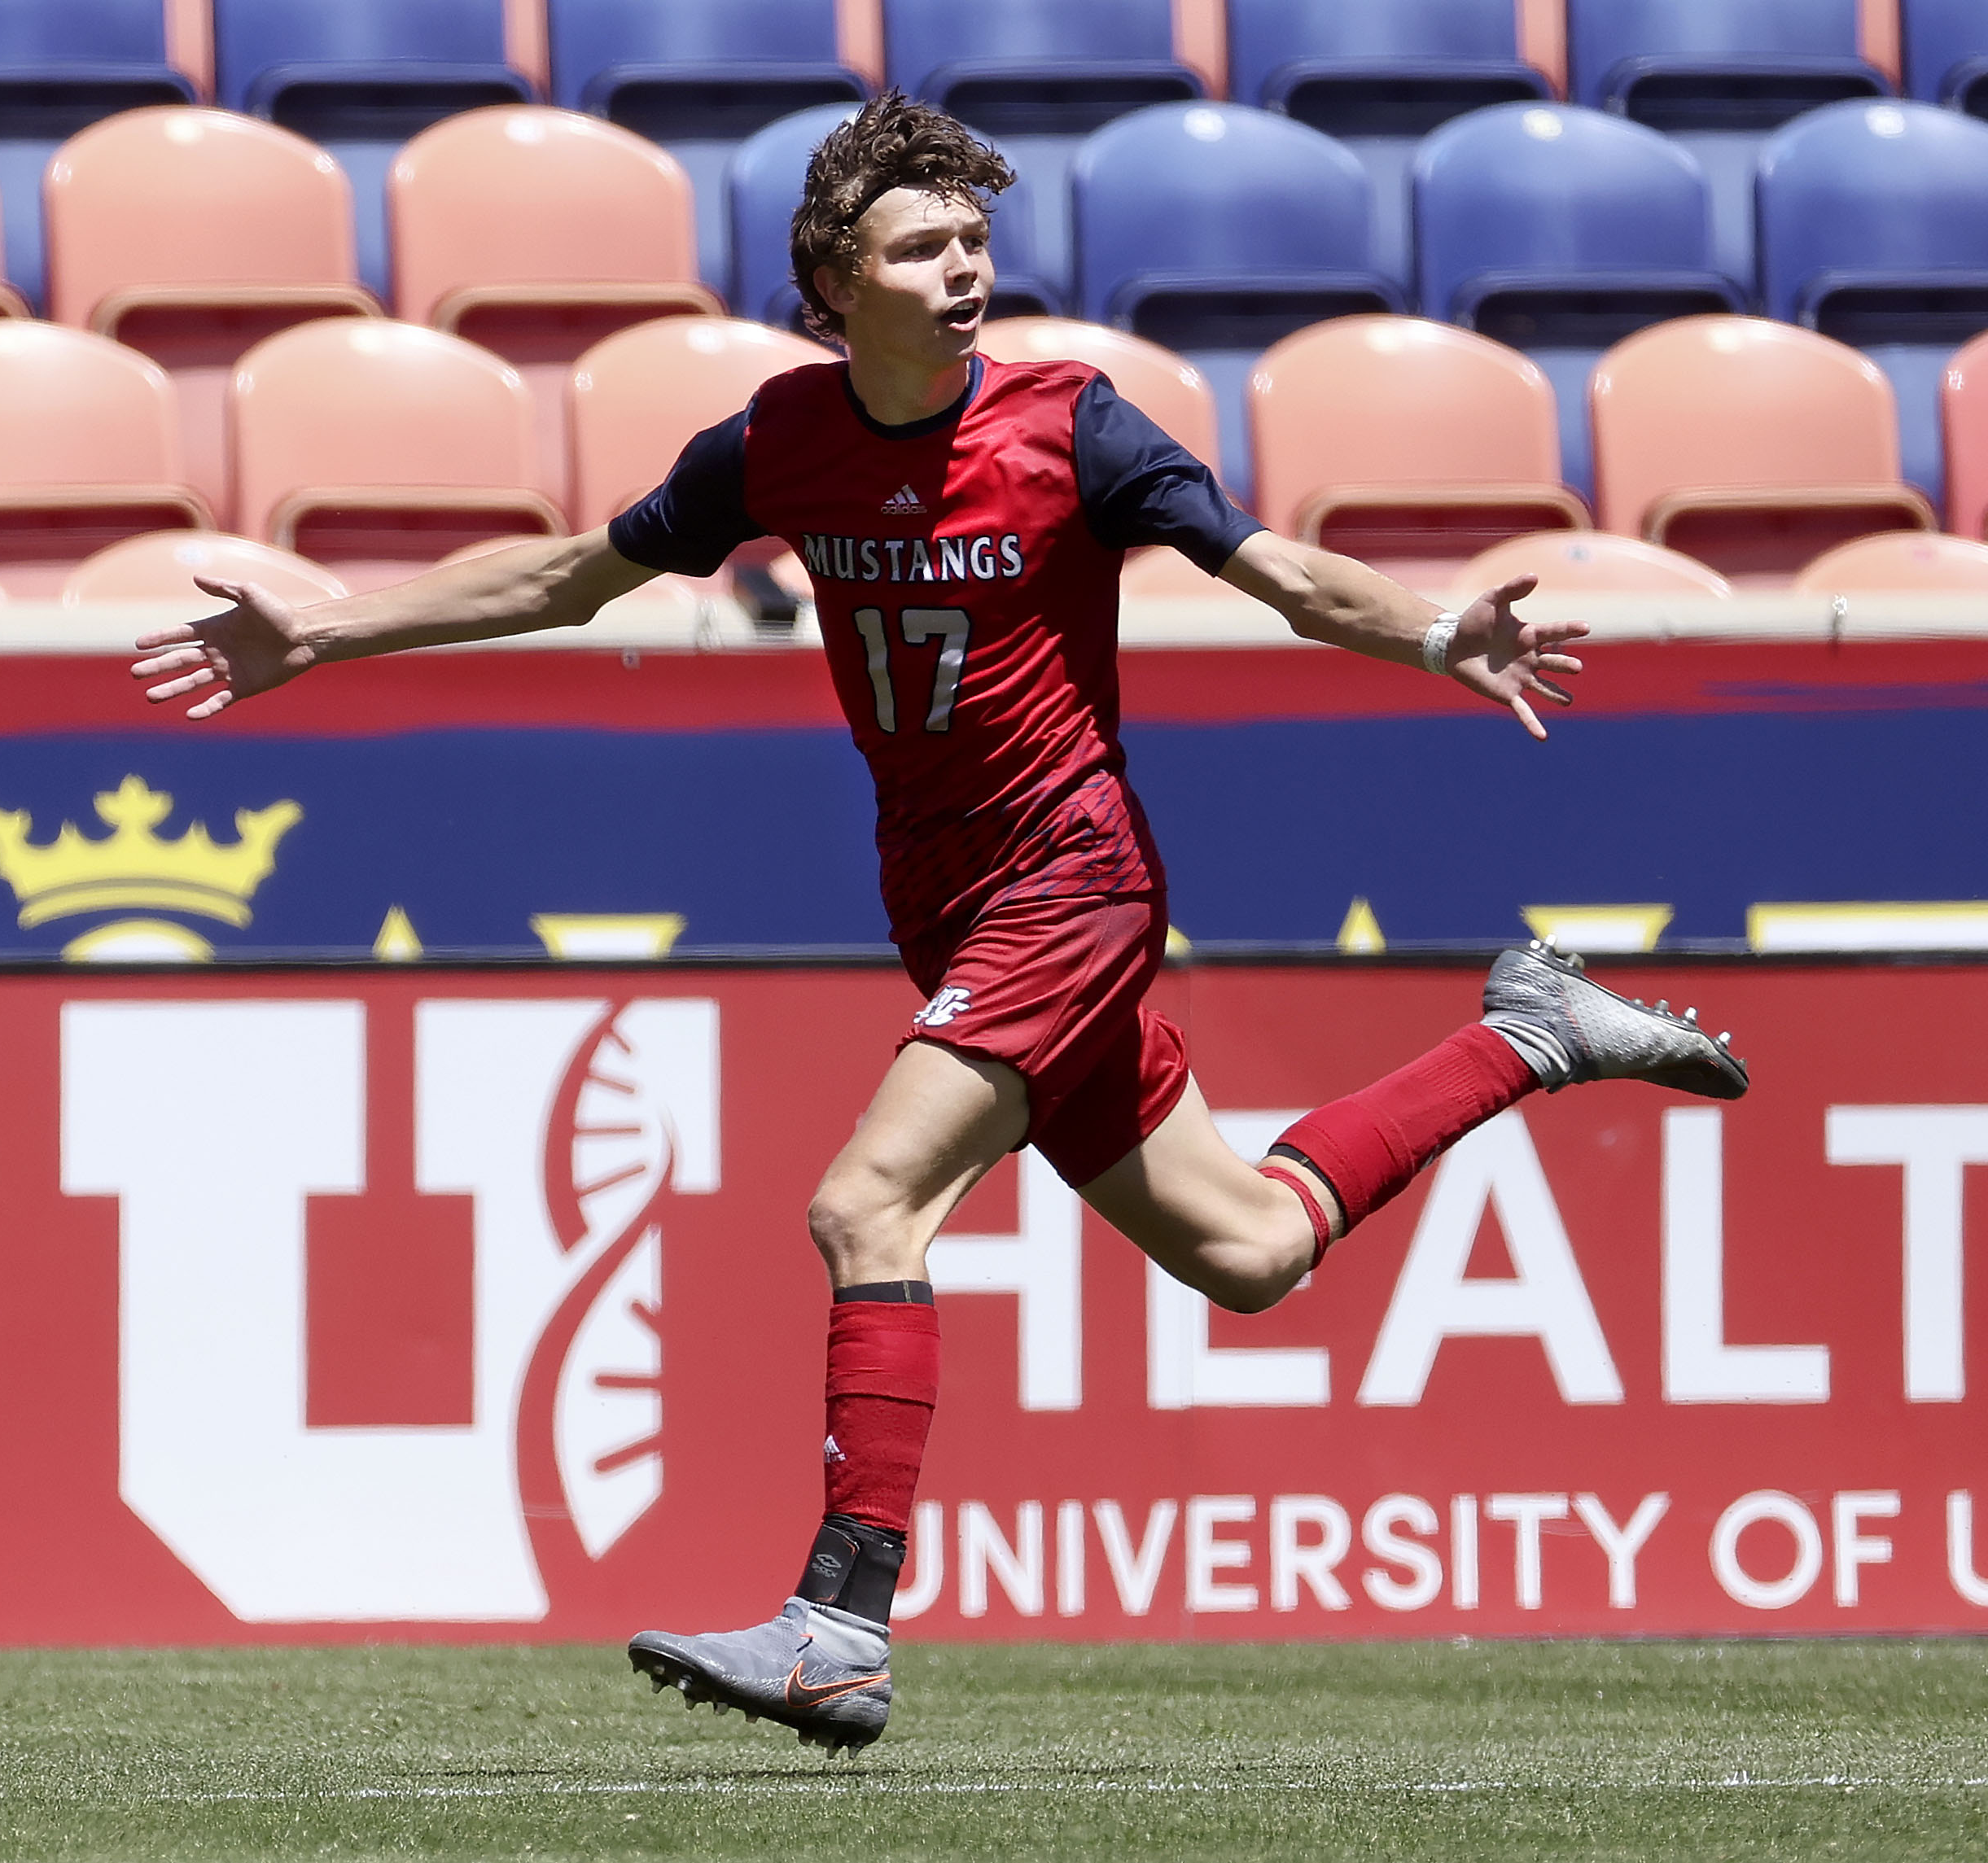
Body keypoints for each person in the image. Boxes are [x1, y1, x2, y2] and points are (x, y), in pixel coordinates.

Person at [131, 94, 1747, 1755]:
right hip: (949, 898)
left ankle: (839, 1624)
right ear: (835, 279)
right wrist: (320, 633)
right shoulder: (774, 445)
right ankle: (1535, 1030)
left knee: (865, 1200)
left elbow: (1274, 570)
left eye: (975, 240)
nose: (965, 267)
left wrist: (1430, 634)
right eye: (923, 246)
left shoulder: (1076, 427)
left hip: (1075, 878)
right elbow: (564, 582)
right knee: (1252, 1249)